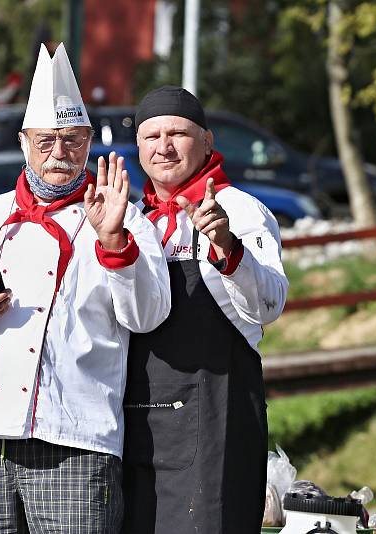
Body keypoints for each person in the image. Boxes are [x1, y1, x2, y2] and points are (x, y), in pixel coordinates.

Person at [0, 44, 171, 533]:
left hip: (76, 440)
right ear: (23, 142)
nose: (59, 153)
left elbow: (148, 315)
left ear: (87, 143)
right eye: (46, 141)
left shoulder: (121, 216)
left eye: (72, 141)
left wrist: (113, 242)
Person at [122, 86, 288, 534]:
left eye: (178, 133)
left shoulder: (240, 210)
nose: (164, 146)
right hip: (141, 427)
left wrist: (229, 248)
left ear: (208, 141)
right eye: (151, 136)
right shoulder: (132, 220)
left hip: (216, 423)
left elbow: (268, 304)